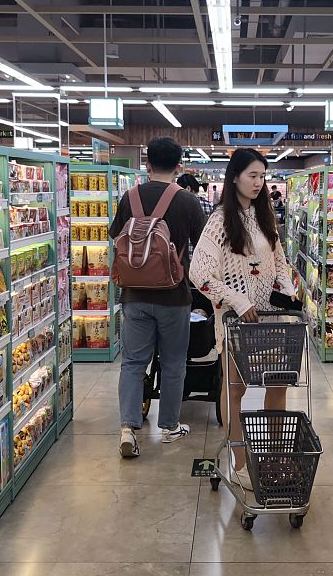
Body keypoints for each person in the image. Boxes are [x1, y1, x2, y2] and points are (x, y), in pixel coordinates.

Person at [189, 148, 295, 490]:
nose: (258, 182)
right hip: (237, 322)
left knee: (277, 385)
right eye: (252, 175)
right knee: (236, 388)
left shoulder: (265, 217)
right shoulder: (220, 222)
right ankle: (239, 461)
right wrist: (236, 300)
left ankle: (276, 457)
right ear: (234, 176)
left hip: (272, 319)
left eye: (262, 176)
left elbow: (279, 260)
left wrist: (288, 289)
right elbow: (199, 273)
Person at [109, 137, 206, 458]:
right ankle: (169, 425)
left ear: (147, 164)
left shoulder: (129, 197)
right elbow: (203, 247)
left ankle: (127, 427)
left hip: (133, 295)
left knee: (134, 362)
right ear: (179, 166)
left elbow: (116, 237)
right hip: (174, 296)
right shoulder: (188, 202)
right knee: (174, 362)